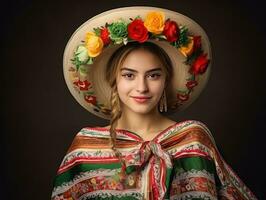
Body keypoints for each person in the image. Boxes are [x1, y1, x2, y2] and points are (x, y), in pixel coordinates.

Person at [51, 7, 257, 200]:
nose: (142, 87)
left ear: (165, 80)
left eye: (153, 75)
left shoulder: (194, 140)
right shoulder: (84, 149)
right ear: (114, 80)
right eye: (129, 75)